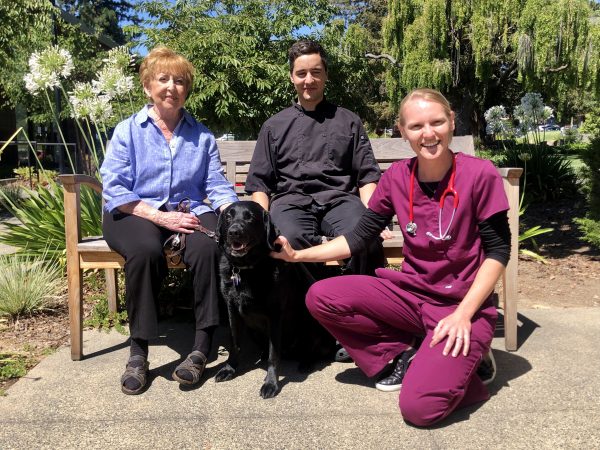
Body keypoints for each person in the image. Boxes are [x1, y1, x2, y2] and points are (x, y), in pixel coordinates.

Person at [271, 88, 511, 426]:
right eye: (416, 126)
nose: (428, 134)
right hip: (411, 297)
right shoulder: (398, 177)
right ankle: (405, 354)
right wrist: (297, 255)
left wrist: (463, 315)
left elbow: (499, 251)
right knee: (322, 296)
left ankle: (465, 363)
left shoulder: (479, 174)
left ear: (451, 121)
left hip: (461, 307)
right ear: (402, 131)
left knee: (419, 409)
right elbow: (357, 237)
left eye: (437, 122)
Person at [100, 46, 238, 395]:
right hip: (133, 210)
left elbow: (215, 185)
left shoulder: (202, 135)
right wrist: (160, 216)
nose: (171, 87)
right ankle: (138, 351)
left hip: (187, 208)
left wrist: (231, 213)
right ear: (147, 86)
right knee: (145, 250)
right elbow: (114, 186)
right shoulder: (127, 131)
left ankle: (201, 347)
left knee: (208, 246)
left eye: (179, 81)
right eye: (163, 79)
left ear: (186, 89)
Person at [245, 39, 387, 280]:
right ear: (292, 77)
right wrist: (262, 223)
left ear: (326, 76)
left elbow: (366, 176)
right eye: (301, 73)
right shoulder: (274, 126)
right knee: (286, 239)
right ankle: (306, 310)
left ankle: (358, 309)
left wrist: (372, 220)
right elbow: (259, 183)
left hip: (340, 201)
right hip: (291, 202)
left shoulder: (348, 121)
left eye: (315, 72)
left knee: (366, 239)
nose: (308, 80)